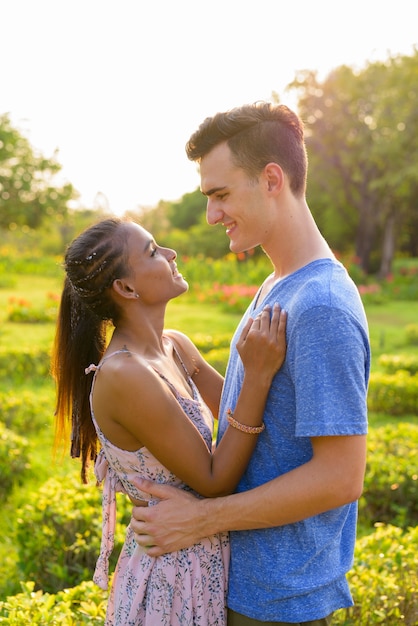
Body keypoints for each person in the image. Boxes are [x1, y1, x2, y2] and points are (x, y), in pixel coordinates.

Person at [131, 102, 371, 625]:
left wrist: (200, 520)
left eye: (220, 195)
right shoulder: (279, 282)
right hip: (251, 586)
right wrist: (195, 367)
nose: (212, 215)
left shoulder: (322, 305)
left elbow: (340, 476)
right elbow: (271, 424)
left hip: (282, 601)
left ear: (270, 179)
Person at [51, 216, 287, 626]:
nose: (171, 254)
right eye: (153, 251)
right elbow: (215, 478)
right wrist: (259, 376)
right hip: (174, 577)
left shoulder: (175, 345)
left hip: (207, 555)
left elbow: (234, 413)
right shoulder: (125, 376)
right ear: (125, 288)